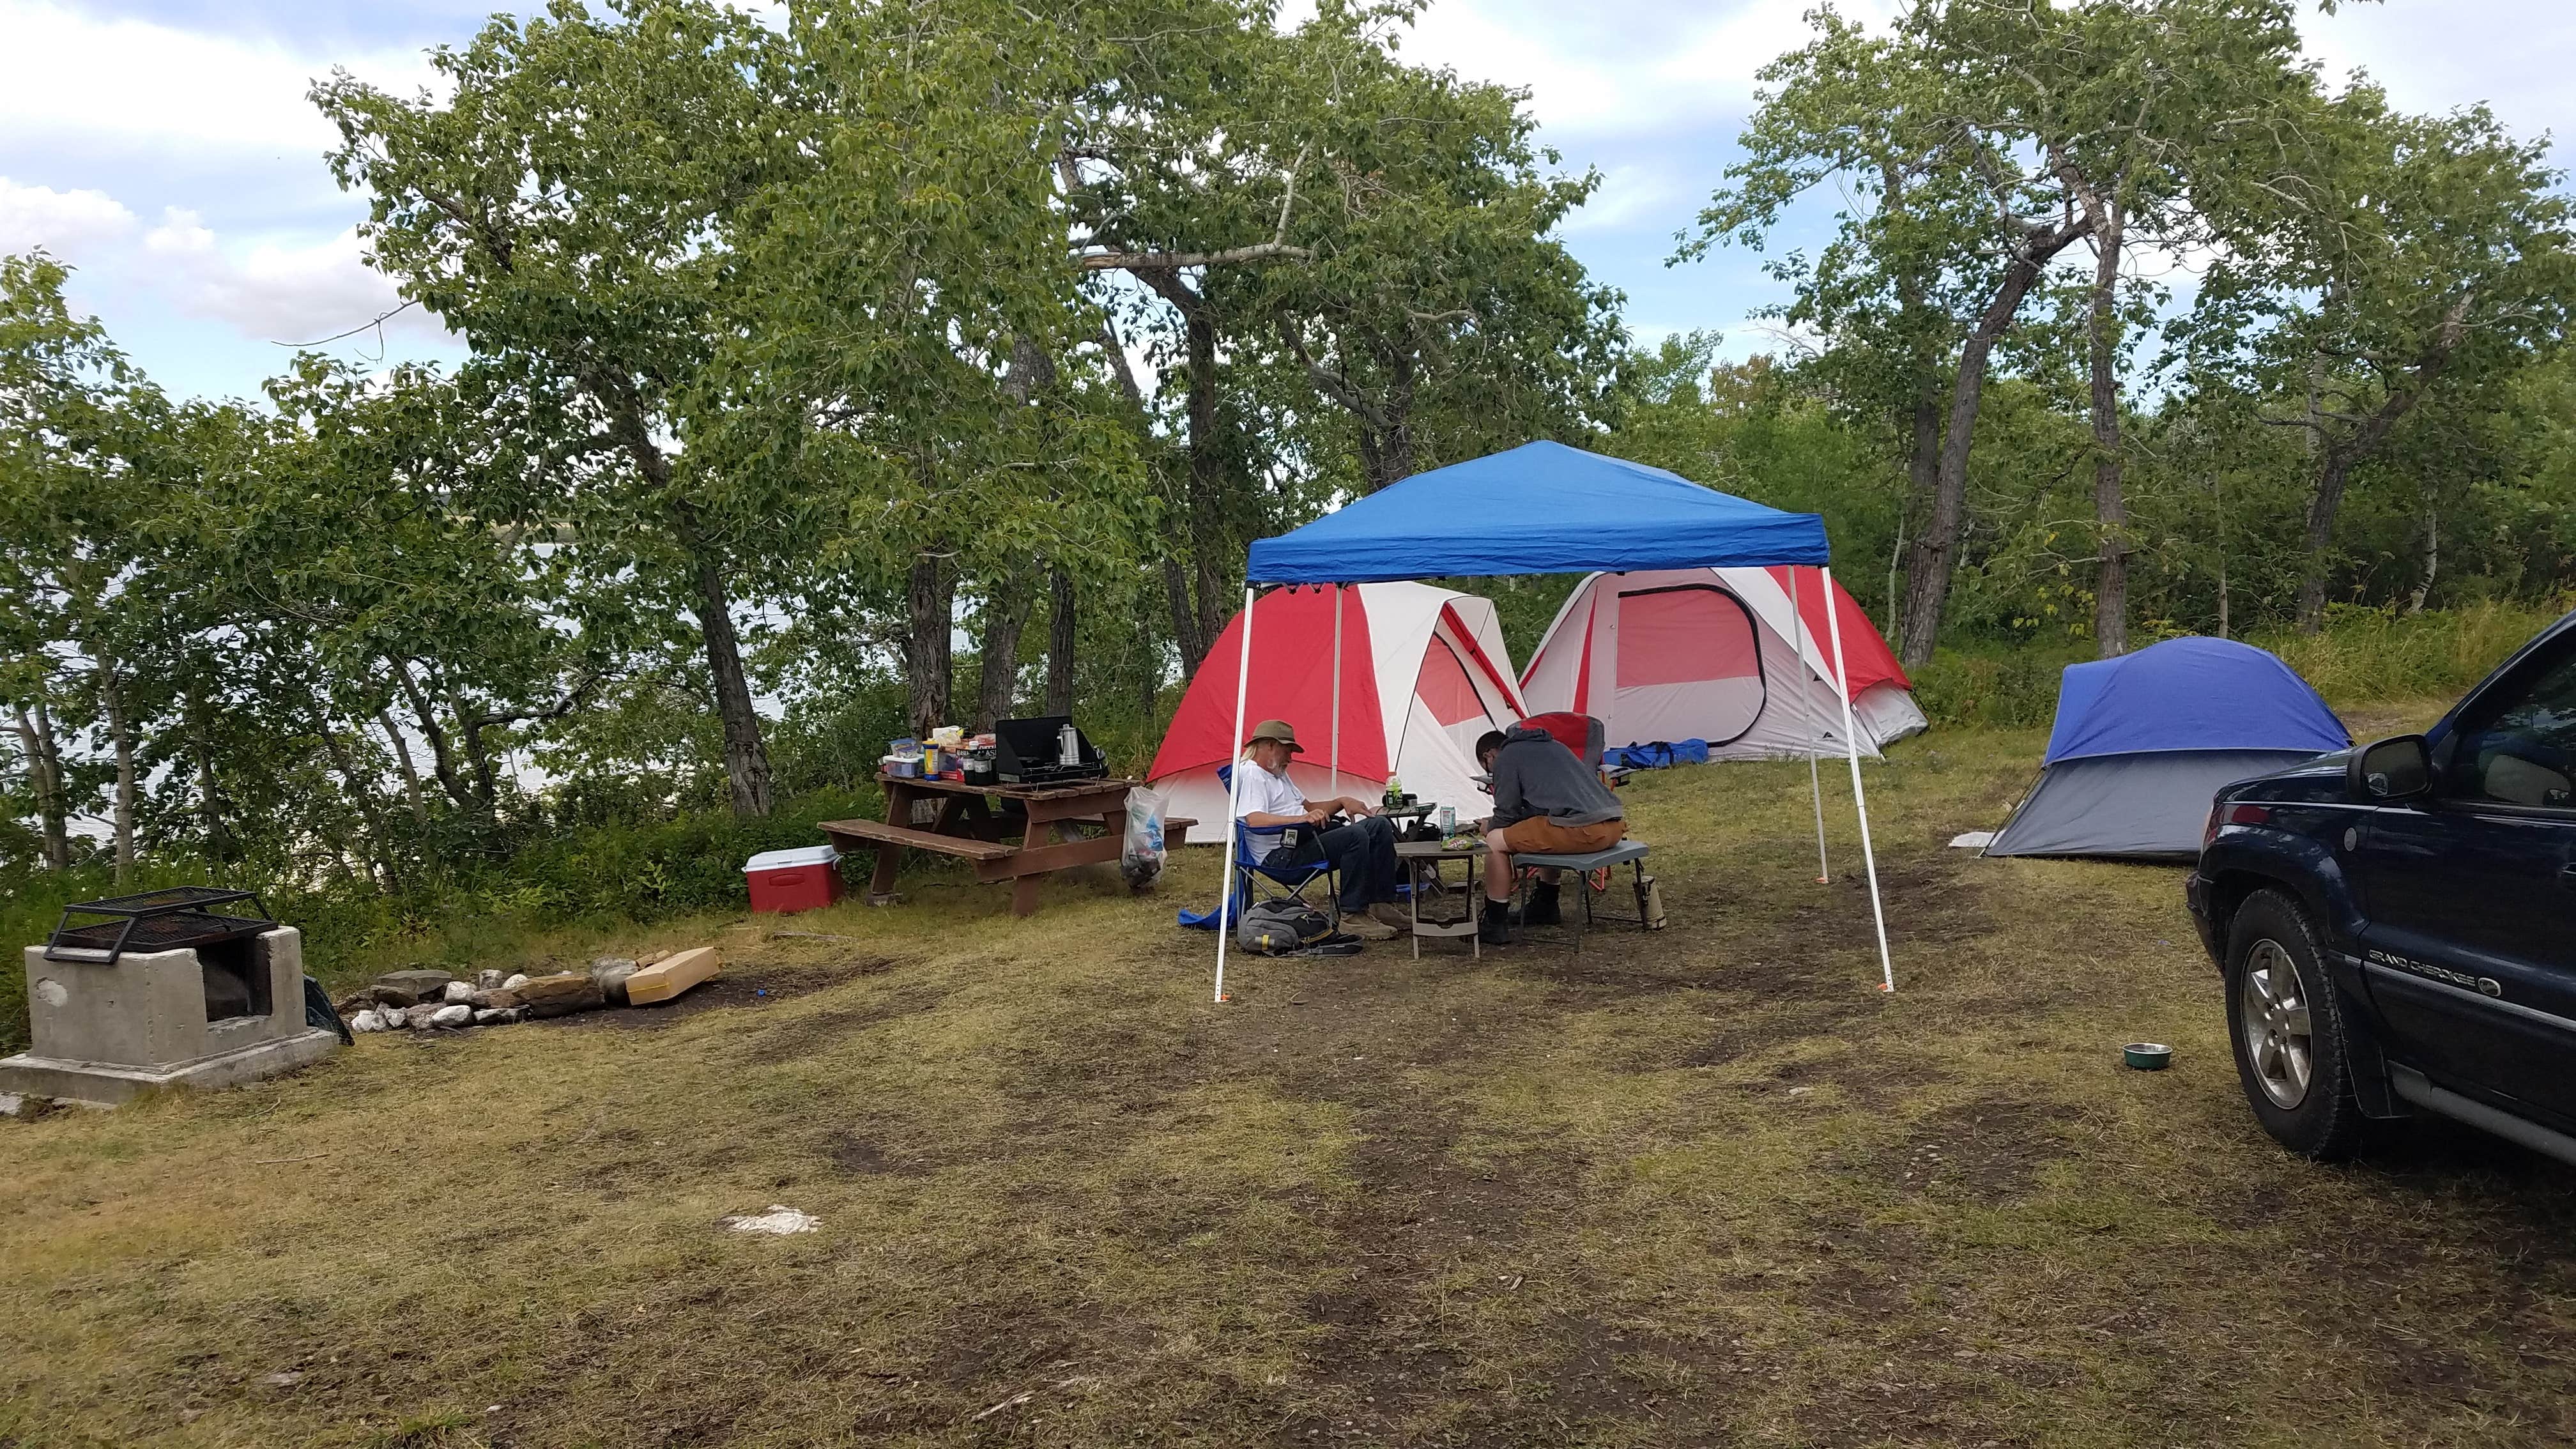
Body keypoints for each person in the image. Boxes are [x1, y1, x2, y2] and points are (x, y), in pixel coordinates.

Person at [1232, 719, 1411, 940]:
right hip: (1280, 855)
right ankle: (1352, 917)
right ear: (1270, 745)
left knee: (1378, 825)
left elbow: (1308, 807)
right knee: (1355, 836)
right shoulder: (1253, 774)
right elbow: (1254, 820)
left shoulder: (1278, 774)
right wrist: (1300, 819)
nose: (1291, 758)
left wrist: (1341, 802)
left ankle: (1380, 905)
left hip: (1302, 839)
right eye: (1288, 751)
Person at [1469, 725, 1625, 946]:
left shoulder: (1507, 757)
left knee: (1494, 841)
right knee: (1544, 825)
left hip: (1584, 830)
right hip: (1613, 827)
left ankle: (1495, 923)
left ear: (1489, 756)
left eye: (1489, 770)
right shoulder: (1553, 746)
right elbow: (1544, 810)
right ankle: (1546, 904)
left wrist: (1490, 827)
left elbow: (1506, 814)